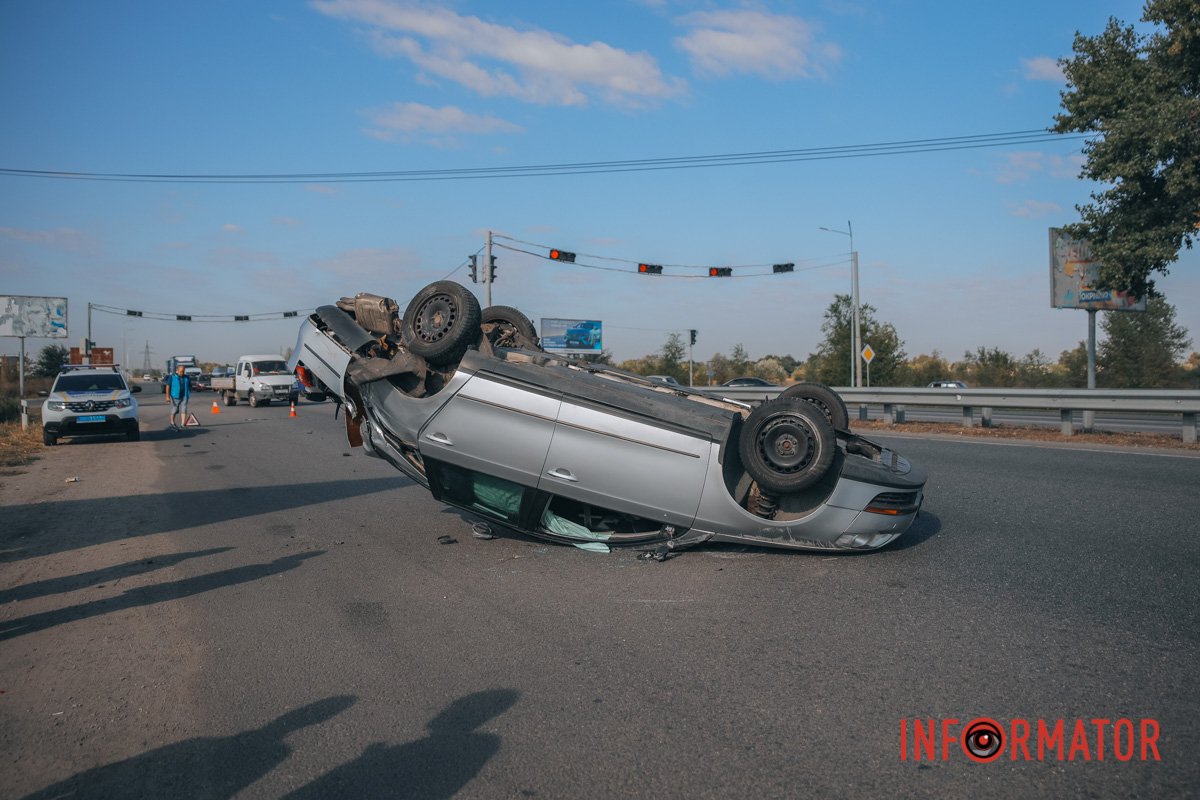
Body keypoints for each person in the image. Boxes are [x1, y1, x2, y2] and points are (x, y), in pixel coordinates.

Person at [167, 364, 191, 431]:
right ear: (177, 370)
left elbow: (189, 386)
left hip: (184, 396)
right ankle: (172, 423)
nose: (182, 373)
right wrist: (167, 397)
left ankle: (182, 424)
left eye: (183, 371)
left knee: (184, 409)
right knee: (174, 410)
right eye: (180, 371)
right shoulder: (172, 377)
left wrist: (188, 393)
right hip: (174, 396)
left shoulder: (187, 377)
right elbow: (168, 387)